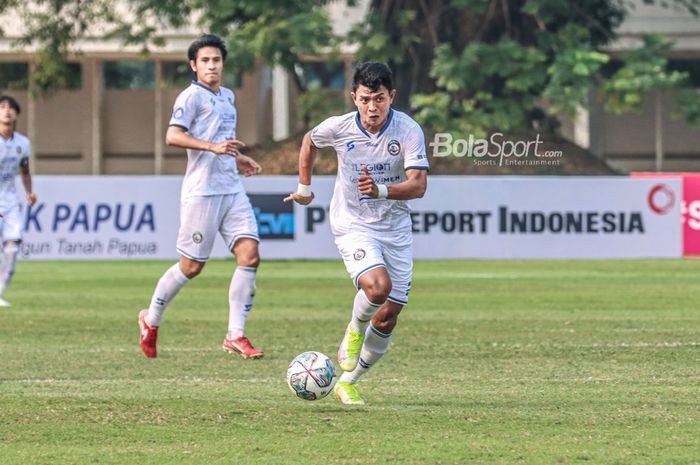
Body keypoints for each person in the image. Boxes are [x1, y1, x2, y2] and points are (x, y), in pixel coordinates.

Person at [284, 62, 429, 405]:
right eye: (365, 99)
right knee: (378, 287)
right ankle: (353, 328)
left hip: (394, 227)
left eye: (380, 99)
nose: (373, 108)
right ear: (354, 98)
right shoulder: (339, 128)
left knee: (389, 315)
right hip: (352, 223)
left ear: (392, 96)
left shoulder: (408, 131)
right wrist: (304, 187)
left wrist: (380, 190)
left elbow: (419, 186)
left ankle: (348, 380)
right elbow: (309, 141)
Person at [139, 33, 265, 359]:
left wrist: (237, 158)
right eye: (205, 61)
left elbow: (221, 140)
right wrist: (212, 147)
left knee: (250, 255)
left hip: (231, 187)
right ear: (193, 65)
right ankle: (151, 319)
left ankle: (235, 335)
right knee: (192, 267)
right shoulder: (189, 97)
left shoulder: (228, 97)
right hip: (203, 191)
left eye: (217, 60)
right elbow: (173, 135)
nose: (212, 66)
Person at [0, 95, 37, 307]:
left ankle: (0, 292)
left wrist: (29, 192)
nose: (7, 111)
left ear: (16, 114)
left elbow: (25, 170)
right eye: (2, 107)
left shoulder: (23, 143)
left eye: (11, 108)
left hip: (10, 200)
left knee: (12, 248)